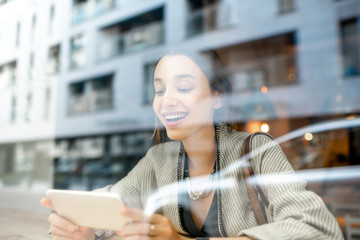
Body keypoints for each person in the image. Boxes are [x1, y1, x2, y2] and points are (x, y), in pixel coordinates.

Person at [41, 50, 344, 240]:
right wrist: (81, 228)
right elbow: (111, 203)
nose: (166, 99)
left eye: (184, 87)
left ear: (216, 97)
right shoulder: (159, 159)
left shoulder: (257, 151)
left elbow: (318, 229)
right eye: (159, 90)